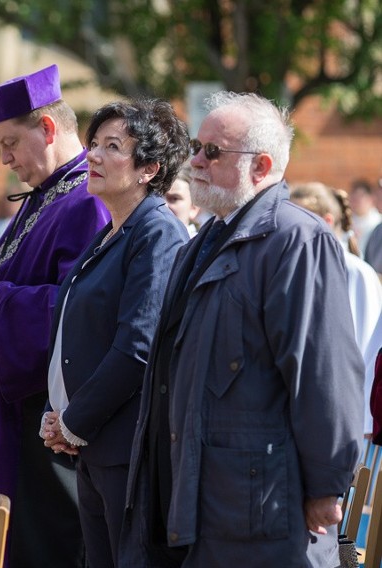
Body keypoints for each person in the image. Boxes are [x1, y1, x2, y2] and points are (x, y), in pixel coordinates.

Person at [121, 92, 364, 567]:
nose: (195, 160)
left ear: (261, 165)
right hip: (199, 500)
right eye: (196, 145)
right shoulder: (203, 243)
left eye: (213, 151)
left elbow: (323, 376)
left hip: (260, 507)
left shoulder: (297, 241)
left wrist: (327, 484)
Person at [0, 64, 110, 566]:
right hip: (5, 411)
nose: (4, 160)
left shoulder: (87, 198)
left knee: (39, 544)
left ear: (47, 128)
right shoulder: (43, 197)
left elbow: (83, 308)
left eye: (9, 143)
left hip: (41, 417)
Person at [39, 99, 189, 567]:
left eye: (112, 146)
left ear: (149, 169)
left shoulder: (158, 233)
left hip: (128, 452)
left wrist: (74, 421)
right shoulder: (111, 232)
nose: (93, 157)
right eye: (93, 145)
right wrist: (56, 412)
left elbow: (136, 349)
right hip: (93, 447)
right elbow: (74, 332)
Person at [289, 182, 382, 434]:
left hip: (346, 419)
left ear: (327, 222)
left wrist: (362, 424)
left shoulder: (356, 272)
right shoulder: (293, 267)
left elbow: (367, 349)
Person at [164, 162, 201, 237]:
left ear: (194, 207)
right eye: (158, 197)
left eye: (174, 199)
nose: (164, 205)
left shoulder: (198, 247)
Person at [350, 178, 381, 254]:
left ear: (370, 198)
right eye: (354, 197)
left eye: (360, 197)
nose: (356, 201)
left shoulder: (377, 220)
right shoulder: (348, 220)